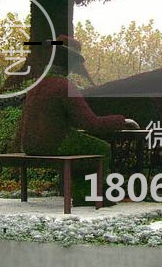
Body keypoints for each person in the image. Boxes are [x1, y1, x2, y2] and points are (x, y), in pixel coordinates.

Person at [21, 36, 139, 206]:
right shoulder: (64, 86)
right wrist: (122, 120)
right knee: (102, 148)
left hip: (30, 145)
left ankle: (83, 193)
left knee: (79, 145)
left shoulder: (37, 85)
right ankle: (92, 195)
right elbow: (91, 124)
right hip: (52, 144)